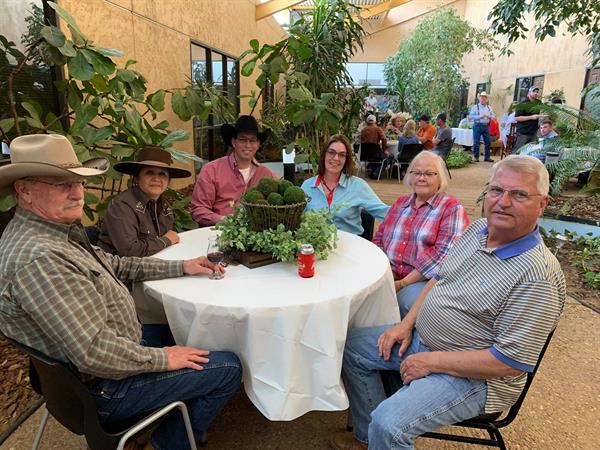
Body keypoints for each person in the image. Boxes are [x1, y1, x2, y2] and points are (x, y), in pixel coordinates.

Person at [0, 134, 242, 450]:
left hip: (108, 357)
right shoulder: (40, 259)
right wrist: (162, 359)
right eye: (62, 184)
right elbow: (95, 353)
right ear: (25, 190)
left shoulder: (55, 233)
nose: (77, 193)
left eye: (79, 182)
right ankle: (169, 441)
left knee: (185, 331)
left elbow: (119, 264)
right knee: (228, 368)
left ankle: (167, 416)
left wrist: (183, 266)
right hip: (105, 388)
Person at [330, 155, 565, 450]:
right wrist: (405, 324)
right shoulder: (477, 231)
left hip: (476, 377)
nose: (502, 202)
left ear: (542, 204)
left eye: (518, 194)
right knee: (352, 346)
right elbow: (439, 278)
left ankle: (380, 435)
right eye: (496, 190)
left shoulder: (537, 275)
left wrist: (431, 361)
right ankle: (368, 439)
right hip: (423, 342)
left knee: (390, 424)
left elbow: (508, 362)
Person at [373, 151, 469, 317]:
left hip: (423, 281)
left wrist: (402, 283)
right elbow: (380, 238)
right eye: (416, 172)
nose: (421, 178)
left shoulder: (452, 208)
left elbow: (443, 256)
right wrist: (385, 273)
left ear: (440, 178)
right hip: (389, 272)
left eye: (429, 173)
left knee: (403, 302)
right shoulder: (401, 203)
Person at [98, 146, 191, 257]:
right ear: (137, 178)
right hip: (117, 268)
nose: (156, 179)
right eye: (149, 173)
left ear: (168, 181)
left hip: (151, 263)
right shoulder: (122, 205)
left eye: (162, 174)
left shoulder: (164, 205)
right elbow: (130, 251)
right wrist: (165, 240)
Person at [191, 115, 275, 226]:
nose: (248, 145)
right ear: (234, 142)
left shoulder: (266, 175)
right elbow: (199, 210)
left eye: (252, 140)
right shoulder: (211, 170)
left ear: (258, 144)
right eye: (242, 139)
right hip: (219, 234)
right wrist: (224, 220)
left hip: (256, 234)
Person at [302, 134, 389, 235]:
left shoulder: (358, 186)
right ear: (324, 155)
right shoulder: (307, 186)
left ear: (346, 159)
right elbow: (298, 219)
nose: (336, 158)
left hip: (351, 245)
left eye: (342, 155)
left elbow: (384, 212)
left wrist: (408, 209)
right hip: (317, 245)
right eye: (331, 152)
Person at [468, 91, 495, 162]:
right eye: (482, 97)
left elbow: (494, 117)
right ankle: (476, 157)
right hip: (477, 125)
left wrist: (489, 116)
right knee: (476, 142)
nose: (483, 99)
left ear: (487, 99)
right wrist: (481, 116)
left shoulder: (489, 108)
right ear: (479, 98)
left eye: (485, 97)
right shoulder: (475, 107)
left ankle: (487, 157)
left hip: (486, 126)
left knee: (488, 142)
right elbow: (471, 117)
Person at [514, 86, 542, 152]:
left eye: (537, 92)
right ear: (529, 93)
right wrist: (531, 117)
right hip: (523, 132)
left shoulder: (539, 103)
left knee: (531, 151)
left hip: (534, 132)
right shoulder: (523, 103)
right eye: (534, 91)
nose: (536, 93)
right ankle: (510, 162)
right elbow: (517, 118)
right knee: (518, 151)